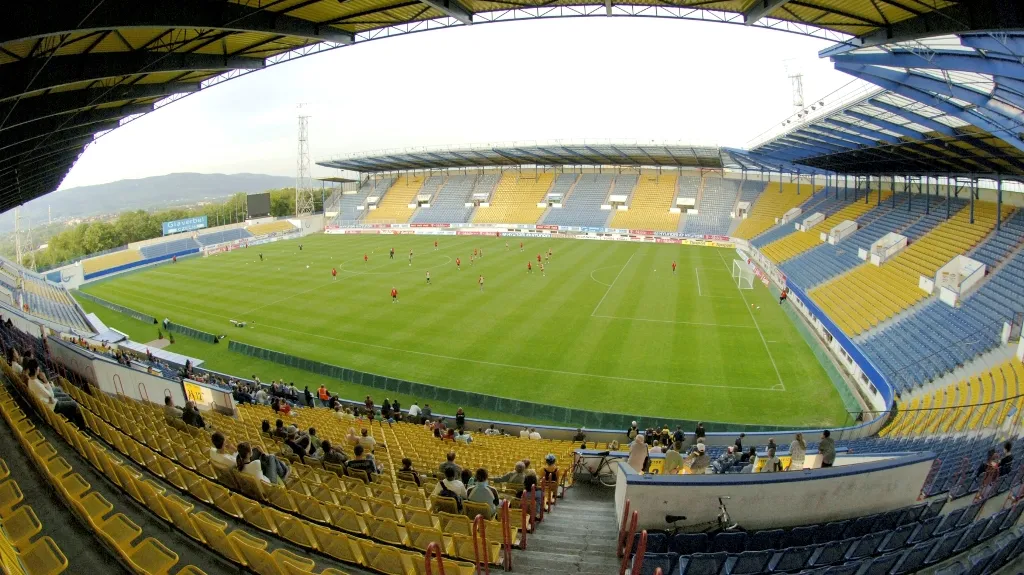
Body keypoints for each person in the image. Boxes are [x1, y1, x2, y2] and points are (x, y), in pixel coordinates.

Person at [26, 360, 84, 428]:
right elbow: (51, 395)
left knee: (63, 394)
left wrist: (48, 389)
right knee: (75, 405)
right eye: (38, 367)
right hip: (52, 405)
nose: (39, 368)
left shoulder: (30, 380)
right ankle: (81, 427)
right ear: (36, 369)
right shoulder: (36, 384)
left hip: (49, 401)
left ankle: (70, 416)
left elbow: (45, 391)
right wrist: (45, 380)